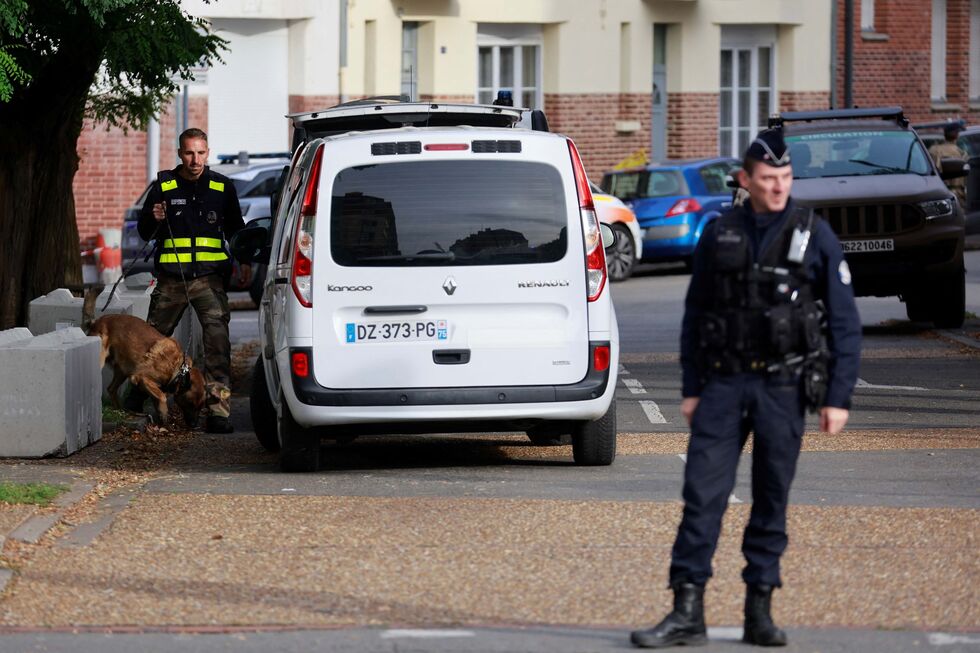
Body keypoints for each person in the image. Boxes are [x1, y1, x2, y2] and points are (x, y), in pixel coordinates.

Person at [630, 129, 861, 648]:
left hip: (784, 385)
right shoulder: (721, 232)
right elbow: (696, 314)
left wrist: (837, 397)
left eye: (784, 178)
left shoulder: (813, 233)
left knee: (771, 499)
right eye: (766, 179)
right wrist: (691, 388)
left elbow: (844, 323)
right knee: (701, 497)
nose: (777, 188)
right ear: (745, 180)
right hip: (723, 385)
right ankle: (686, 610)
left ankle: (760, 608)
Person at [126, 128, 248, 434]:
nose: (196, 160)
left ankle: (218, 413)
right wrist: (153, 218)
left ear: (208, 152)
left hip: (209, 280)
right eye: (190, 153)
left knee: (217, 346)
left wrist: (244, 260)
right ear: (180, 153)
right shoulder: (164, 185)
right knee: (152, 343)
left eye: (201, 153)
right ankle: (135, 397)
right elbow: (142, 231)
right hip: (171, 281)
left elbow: (236, 229)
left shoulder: (222, 186)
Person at [928, 121, 968, 209]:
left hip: (936, 192)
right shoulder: (957, 151)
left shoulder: (933, 150)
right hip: (953, 193)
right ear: (956, 135)